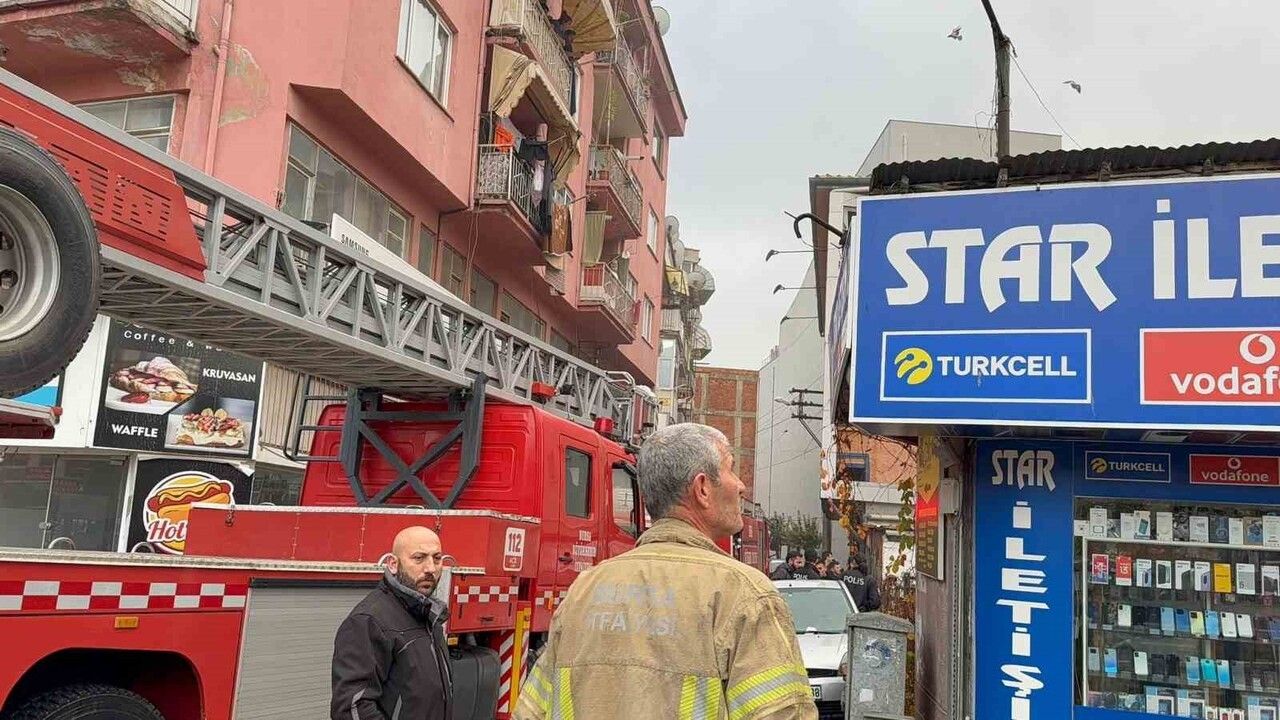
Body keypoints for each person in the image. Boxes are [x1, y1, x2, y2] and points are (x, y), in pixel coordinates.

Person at [514, 423, 817, 719]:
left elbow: (532, 711)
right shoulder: (743, 594)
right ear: (702, 488)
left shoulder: (585, 589)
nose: (741, 485)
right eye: (731, 468)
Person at [331, 526, 453, 720]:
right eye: (419, 558)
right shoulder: (369, 621)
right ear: (393, 564)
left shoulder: (429, 618)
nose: (430, 568)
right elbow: (352, 708)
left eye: (437, 558)